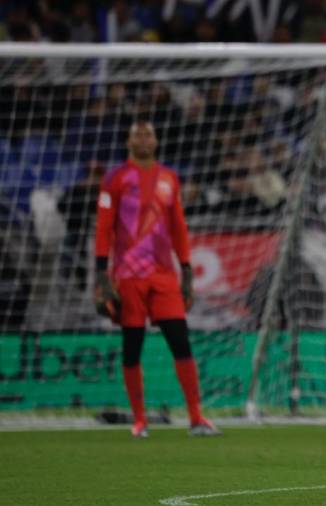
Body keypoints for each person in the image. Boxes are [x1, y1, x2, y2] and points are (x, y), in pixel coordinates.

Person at [93, 120, 219, 438]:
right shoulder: (115, 178)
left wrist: (187, 269)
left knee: (180, 341)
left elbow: (178, 226)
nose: (144, 139)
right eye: (138, 134)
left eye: (149, 133)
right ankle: (139, 421)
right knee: (132, 346)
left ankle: (196, 418)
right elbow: (104, 227)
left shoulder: (169, 178)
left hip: (164, 275)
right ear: (128, 140)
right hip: (127, 276)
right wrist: (100, 274)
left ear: (157, 139)